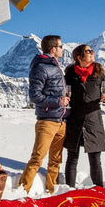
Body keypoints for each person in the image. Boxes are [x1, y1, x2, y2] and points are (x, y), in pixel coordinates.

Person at [19, 35, 70, 194]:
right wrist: (58, 101)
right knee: (37, 159)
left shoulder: (56, 66)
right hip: (47, 122)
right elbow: (35, 96)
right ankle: (21, 190)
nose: (63, 49)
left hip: (61, 121)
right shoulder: (41, 67)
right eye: (61, 46)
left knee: (55, 161)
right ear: (53, 49)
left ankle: (51, 190)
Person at [64, 44, 105, 188]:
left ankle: (99, 190)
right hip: (75, 121)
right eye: (88, 51)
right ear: (79, 57)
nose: (92, 53)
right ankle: (69, 189)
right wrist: (66, 98)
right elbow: (65, 92)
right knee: (72, 158)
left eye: (92, 51)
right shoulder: (70, 75)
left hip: (93, 121)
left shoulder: (99, 74)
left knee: (95, 159)